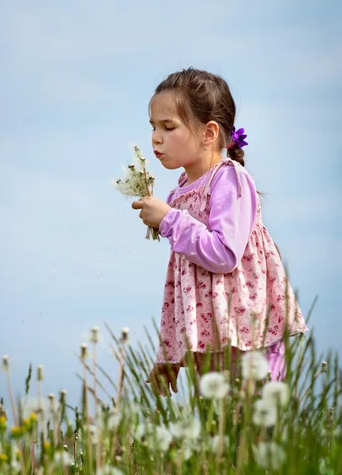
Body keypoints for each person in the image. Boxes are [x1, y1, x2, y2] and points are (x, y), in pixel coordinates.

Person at [132, 68, 308, 397]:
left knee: (252, 430)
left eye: (168, 127)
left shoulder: (229, 180)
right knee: (217, 434)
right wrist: (170, 353)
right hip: (209, 340)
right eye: (154, 127)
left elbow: (224, 255)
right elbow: (183, 284)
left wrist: (169, 220)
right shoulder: (180, 192)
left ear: (209, 133)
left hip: (247, 335)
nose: (156, 137)